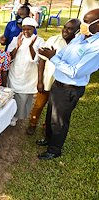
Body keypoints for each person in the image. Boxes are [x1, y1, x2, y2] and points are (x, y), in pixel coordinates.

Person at [37, 9, 99, 160]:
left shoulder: (95, 48)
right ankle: (48, 139)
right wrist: (54, 54)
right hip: (58, 83)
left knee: (59, 120)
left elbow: (74, 72)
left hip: (70, 89)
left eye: (86, 22)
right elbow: (64, 55)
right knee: (50, 115)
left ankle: (54, 149)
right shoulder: (80, 38)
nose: (83, 25)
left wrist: (53, 59)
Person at [26, 19, 81, 135]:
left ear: (77, 31)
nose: (65, 30)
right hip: (47, 81)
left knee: (53, 110)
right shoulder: (53, 40)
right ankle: (32, 124)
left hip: (63, 85)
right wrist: (40, 81)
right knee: (39, 105)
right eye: (65, 27)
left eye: (69, 29)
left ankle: (47, 127)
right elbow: (42, 60)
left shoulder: (78, 45)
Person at [7, 18, 44, 126]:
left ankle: (17, 116)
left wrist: (31, 46)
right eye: (24, 29)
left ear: (34, 29)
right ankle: (10, 114)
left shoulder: (39, 41)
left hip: (28, 74)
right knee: (12, 95)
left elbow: (36, 59)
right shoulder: (16, 39)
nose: (26, 31)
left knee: (22, 98)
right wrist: (17, 46)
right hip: (15, 72)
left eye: (29, 29)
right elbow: (10, 57)